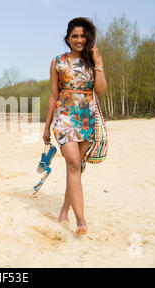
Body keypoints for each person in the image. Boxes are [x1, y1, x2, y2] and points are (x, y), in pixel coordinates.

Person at [43, 17, 107, 236]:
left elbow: (101, 90)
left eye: (82, 36)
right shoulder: (58, 62)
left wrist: (97, 61)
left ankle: (64, 210)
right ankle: (81, 221)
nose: (79, 40)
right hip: (64, 116)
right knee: (72, 163)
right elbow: (53, 95)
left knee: (76, 168)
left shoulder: (92, 60)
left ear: (87, 38)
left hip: (86, 117)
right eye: (74, 36)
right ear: (68, 38)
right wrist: (47, 126)